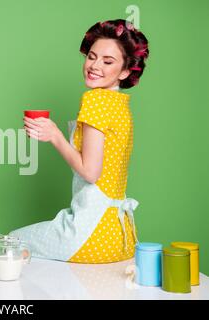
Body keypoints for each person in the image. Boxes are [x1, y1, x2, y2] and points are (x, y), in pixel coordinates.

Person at [10, 19, 149, 263]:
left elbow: (90, 172)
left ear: (126, 71)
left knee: (11, 241)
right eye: (92, 57)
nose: (94, 66)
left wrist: (54, 136)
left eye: (108, 62)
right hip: (120, 239)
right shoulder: (120, 104)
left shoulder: (96, 101)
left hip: (89, 235)